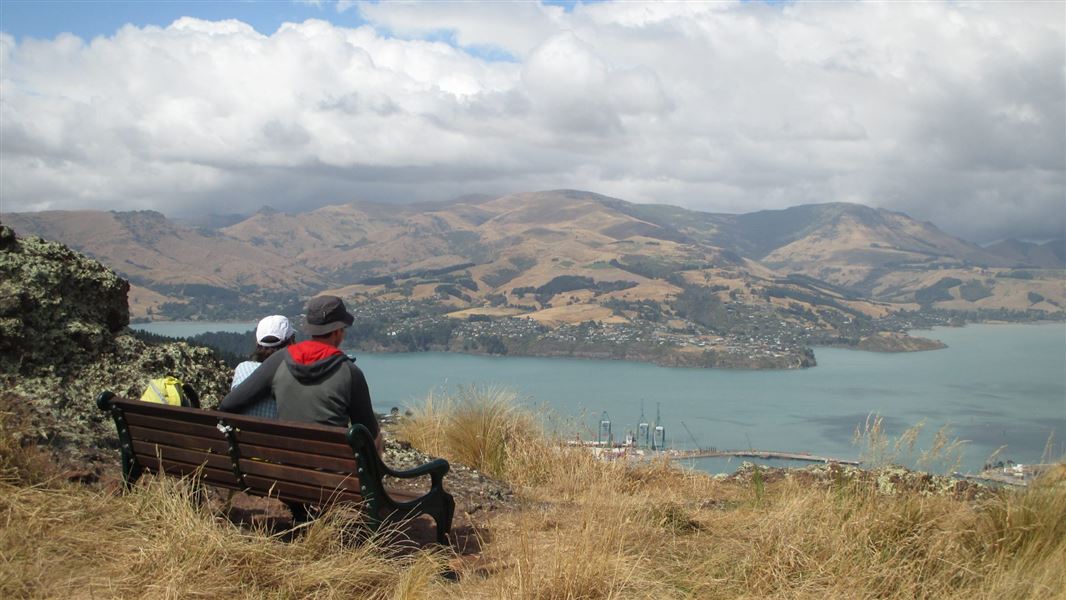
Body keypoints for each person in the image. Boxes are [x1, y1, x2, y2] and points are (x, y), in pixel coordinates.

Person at [219, 295, 383, 452]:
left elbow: (228, 405)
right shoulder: (350, 372)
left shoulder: (280, 359)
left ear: (311, 329)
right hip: (335, 473)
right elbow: (369, 435)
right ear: (338, 331)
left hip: (287, 467)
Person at [229, 315, 296, 418]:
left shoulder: (242, 368)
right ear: (291, 342)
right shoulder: (293, 374)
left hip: (243, 432)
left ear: (257, 343)